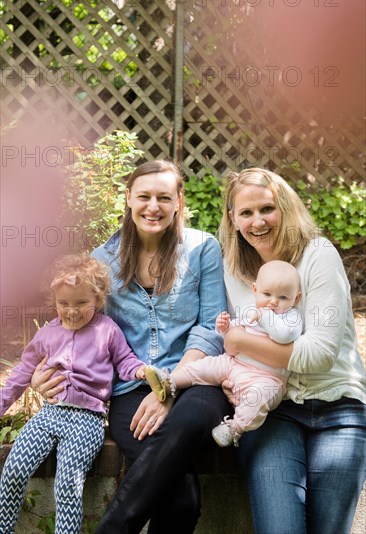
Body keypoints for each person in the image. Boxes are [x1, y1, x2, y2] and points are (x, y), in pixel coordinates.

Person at [30, 160, 231, 534]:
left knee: (188, 420)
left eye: (163, 197)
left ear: (178, 202)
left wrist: (168, 387)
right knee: (182, 499)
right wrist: (45, 372)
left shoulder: (203, 248)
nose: (153, 206)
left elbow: (210, 327)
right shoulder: (102, 260)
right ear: (128, 199)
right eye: (144, 196)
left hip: (197, 377)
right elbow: (82, 330)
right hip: (130, 388)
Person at [220, 168, 366, 534]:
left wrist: (240, 344)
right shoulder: (233, 270)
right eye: (246, 213)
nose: (258, 222)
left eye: (267, 208)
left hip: (340, 407)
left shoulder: (318, 255)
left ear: (285, 208)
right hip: (275, 411)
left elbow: (319, 354)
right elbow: (220, 337)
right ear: (233, 219)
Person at [0, 253, 146, 534]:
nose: (72, 311)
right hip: (49, 415)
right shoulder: (47, 335)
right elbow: (21, 374)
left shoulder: (107, 331)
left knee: (68, 483)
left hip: (86, 421)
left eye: (81, 303)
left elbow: (126, 360)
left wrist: (140, 371)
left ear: (98, 300)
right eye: (63, 304)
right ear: (54, 302)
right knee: (14, 470)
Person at [145, 259, 302, 447]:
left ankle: (234, 428)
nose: (273, 302)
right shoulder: (251, 310)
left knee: (257, 400)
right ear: (255, 290)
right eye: (267, 294)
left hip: (266, 378)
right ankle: (170, 382)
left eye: (283, 297)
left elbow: (284, 336)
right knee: (205, 366)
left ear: (296, 298)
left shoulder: (291, 317)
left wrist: (265, 316)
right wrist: (225, 327)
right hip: (233, 364)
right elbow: (233, 335)